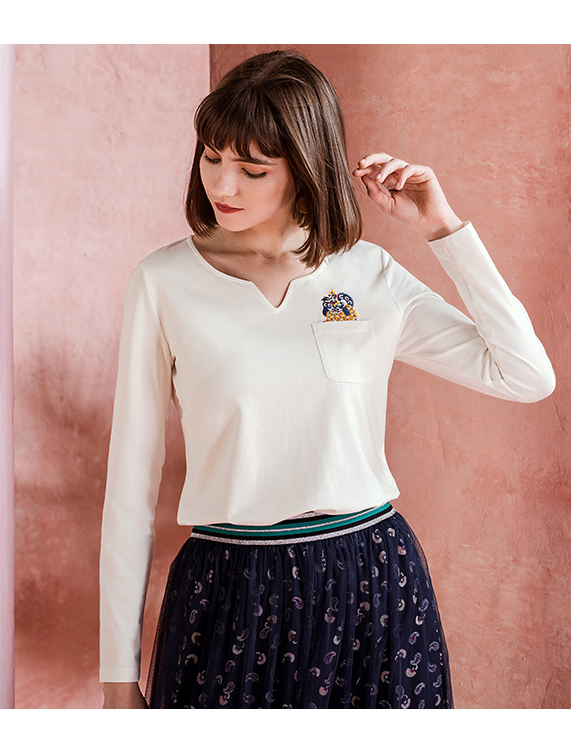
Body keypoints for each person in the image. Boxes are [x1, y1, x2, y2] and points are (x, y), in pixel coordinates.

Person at [98, 50, 555, 709]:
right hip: (227, 590)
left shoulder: (367, 275)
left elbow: (525, 373)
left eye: (253, 169)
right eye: (211, 157)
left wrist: (444, 229)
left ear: (306, 167)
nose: (223, 184)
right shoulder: (163, 282)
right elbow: (128, 493)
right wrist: (117, 678)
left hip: (372, 586)